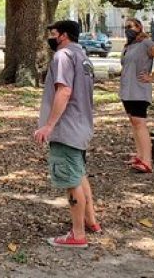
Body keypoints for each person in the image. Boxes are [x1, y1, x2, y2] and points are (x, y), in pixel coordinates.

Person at [35, 20, 99, 248]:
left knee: (71, 181)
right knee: (79, 173)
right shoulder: (83, 57)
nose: (50, 38)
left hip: (67, 127)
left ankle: (78, 235)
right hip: (82, 125)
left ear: (63, 36)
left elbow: (64, 91)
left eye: (53, 33)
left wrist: (49, 125)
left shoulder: (62, 57)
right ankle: (91, 220)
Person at [120, 17, 154, 173]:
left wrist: (152, 76)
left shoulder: (146, 44)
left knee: (140, 124)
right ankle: (139, 156)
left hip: (139, 90)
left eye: (130, 26)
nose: (127, 29)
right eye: (125, 27)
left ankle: (147, 161)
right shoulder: (128, 46)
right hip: (126, 90)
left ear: (139, 27)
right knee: (134, 123)